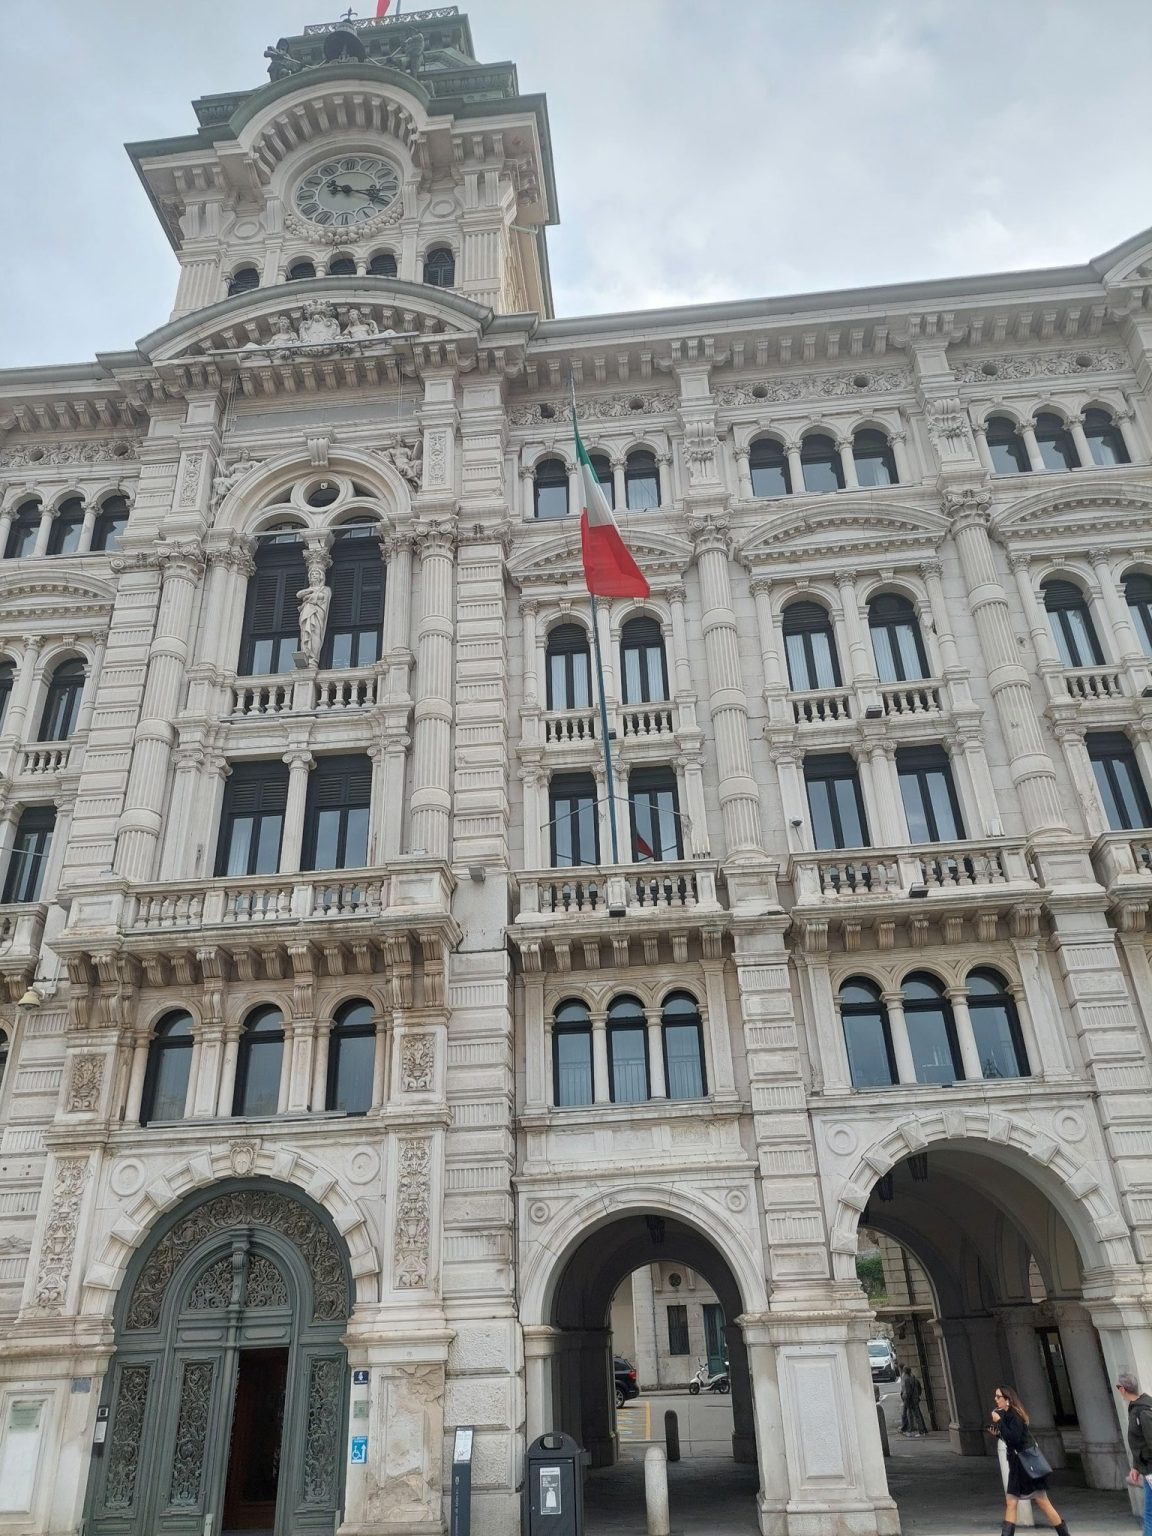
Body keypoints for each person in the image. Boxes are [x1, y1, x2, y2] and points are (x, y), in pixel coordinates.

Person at [989, 1386, 1070, 1536]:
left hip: (1026, 1466)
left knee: (1042, 1501)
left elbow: (1015, 1438)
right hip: (1018, 1465)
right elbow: (1010, 1438)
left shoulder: (1014, 1416)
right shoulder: (1008, 1415)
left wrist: (999, 1421)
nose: (995, 1399)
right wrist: (998, 1434)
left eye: (998, 1396)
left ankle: (1064, 1534)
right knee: (1012, 1502)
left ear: (1007, 1399)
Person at [1115, 1373, 1152, 1536]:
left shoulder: (1142, 1411)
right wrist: (1136, 1467)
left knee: (1149, 1514)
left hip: (1150, 1468)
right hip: (1147, 1468)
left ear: (1123, 1389)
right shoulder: (1139, 1408)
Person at [899, 1365, 927, 1437]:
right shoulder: (913, 1378)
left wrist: (906, 1401)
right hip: (915, 1399)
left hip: (911, 1400)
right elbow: (919, 1388)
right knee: (917, 1415)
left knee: (913, 1416)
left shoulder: (907, 1380)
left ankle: (918, 1431)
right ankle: (922, 1430)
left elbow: (908, 1392)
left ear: (905, 1372)